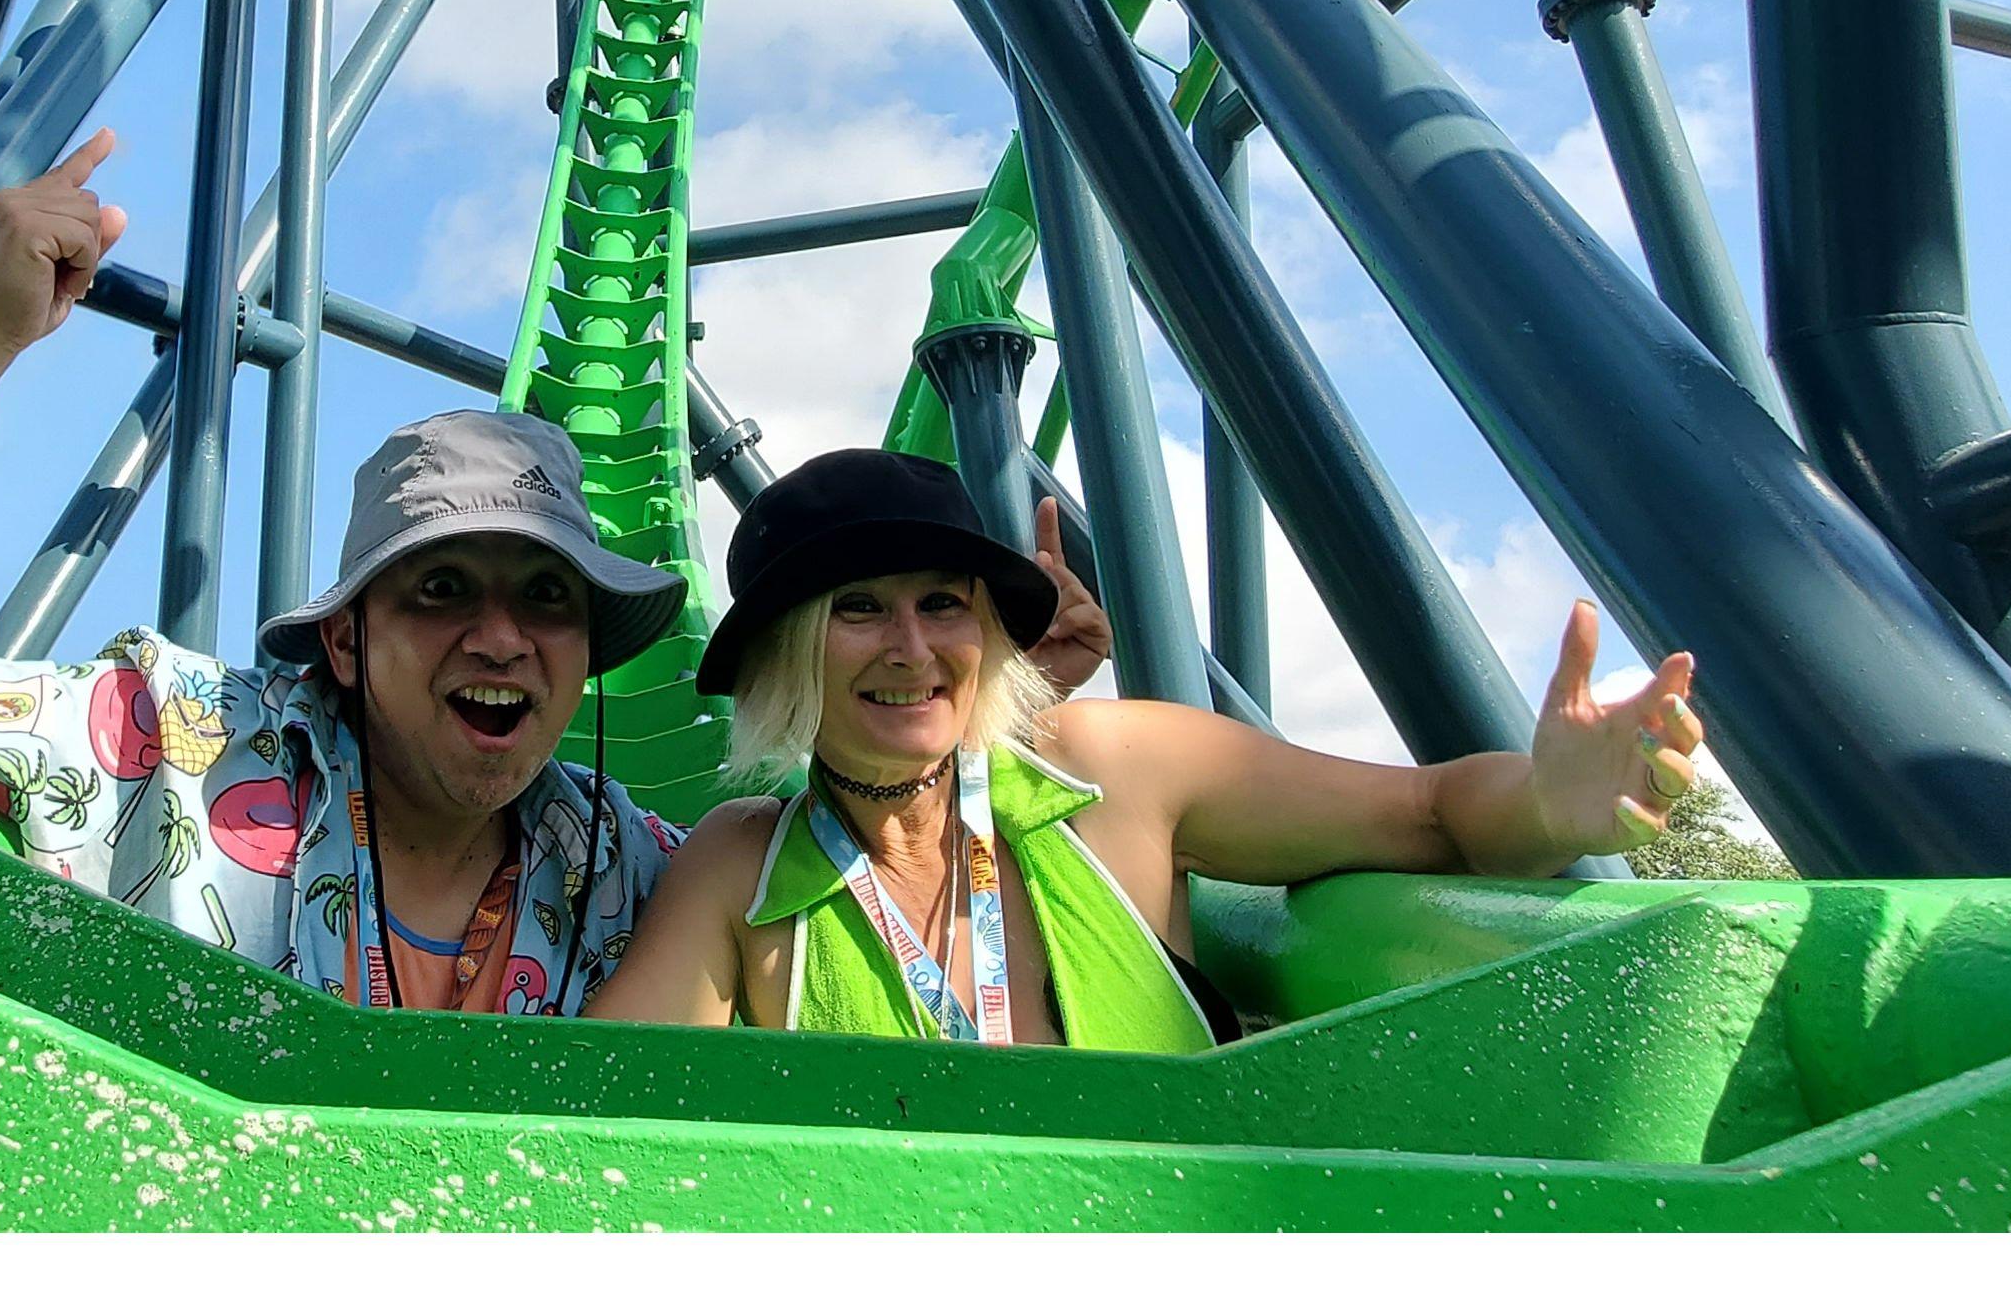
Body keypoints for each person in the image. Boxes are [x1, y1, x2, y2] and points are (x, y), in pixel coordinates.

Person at [0, 136, 1048, 1018]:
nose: (505, 639)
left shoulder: (631, 873)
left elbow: (879, 855)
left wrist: (990, 690)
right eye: (441, 591)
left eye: (549, 599)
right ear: (343, 643)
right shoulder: (177, 748)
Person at [591, 446, 1706, 1052]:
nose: (914, 647)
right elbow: (617, 1111)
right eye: (859, 610)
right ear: (786, 653)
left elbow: (1433, 815)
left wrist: (1556, 805)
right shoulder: (743, 864)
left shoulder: (1109, 773)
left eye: (945, 602)